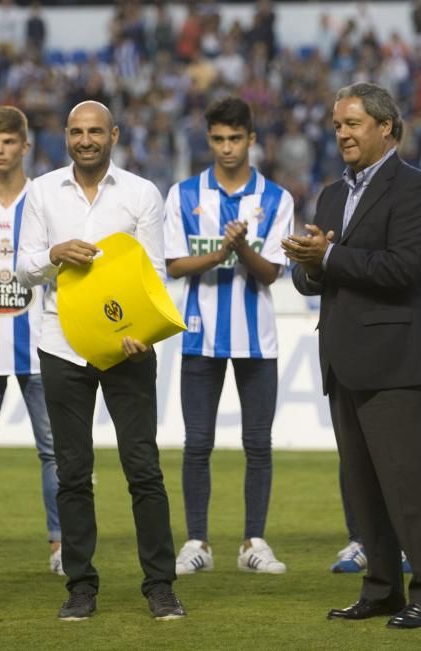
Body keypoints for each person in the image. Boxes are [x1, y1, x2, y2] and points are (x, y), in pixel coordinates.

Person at [283, 82, 421, 629]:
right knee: (364, 488)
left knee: (410, 488)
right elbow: (319, 282)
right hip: (344, 360)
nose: (342, 134)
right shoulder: (332, 194)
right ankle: (381, 588)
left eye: (352, 124)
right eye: (337, 125)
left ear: (386, 127)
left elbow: (403, 269)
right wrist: (307, 263)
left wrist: (328, 255)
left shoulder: (417, 190)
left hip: (399, 361)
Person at [16, 100, 185, 622]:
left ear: (113, 135)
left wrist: (139, 332)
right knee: (72, 472)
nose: (85, 140)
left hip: (128, 349)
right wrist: (53, 255)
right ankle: (81, 587)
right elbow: (22, 271)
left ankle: (160, 586)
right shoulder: (41, 190)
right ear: (65, 136)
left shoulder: (141, 193)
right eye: (76, 132)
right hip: (61, 347)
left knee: (143, 469)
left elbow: (152, 274)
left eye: (95, 132)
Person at [162, 97, 294, 576]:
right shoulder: (182, 195)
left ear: (252, 140)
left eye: (235, 138)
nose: (226, 148)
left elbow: (273, 273)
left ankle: (253, 542)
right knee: (197, 443)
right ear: (208, 139)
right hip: (199, 337)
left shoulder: (277, 200)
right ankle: (197, 541)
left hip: (257, 339)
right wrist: (220, 254)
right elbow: (174, 265)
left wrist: (239, 248)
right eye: (218, 139)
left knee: (258, 443)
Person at [0, 106, 62, 577]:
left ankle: (61, 546)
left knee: (54, 450)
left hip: (41, 347)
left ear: (25, 146)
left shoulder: (45, 203)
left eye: (8, 143)